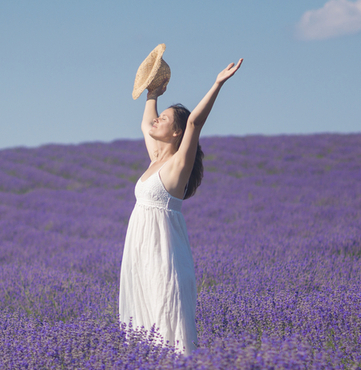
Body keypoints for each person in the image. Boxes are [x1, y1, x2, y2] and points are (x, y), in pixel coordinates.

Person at [118, 58, 243, 355]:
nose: (157, 119)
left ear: (177, 133)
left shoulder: (177, 166)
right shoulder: (155, 160)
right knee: (144, 327)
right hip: (141, 258)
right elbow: (145, 122)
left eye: (165, 118)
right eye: (159, 115)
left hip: (165, 262)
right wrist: (153, 93)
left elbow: (195, 123)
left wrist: (217, 83)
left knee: (167, 327)